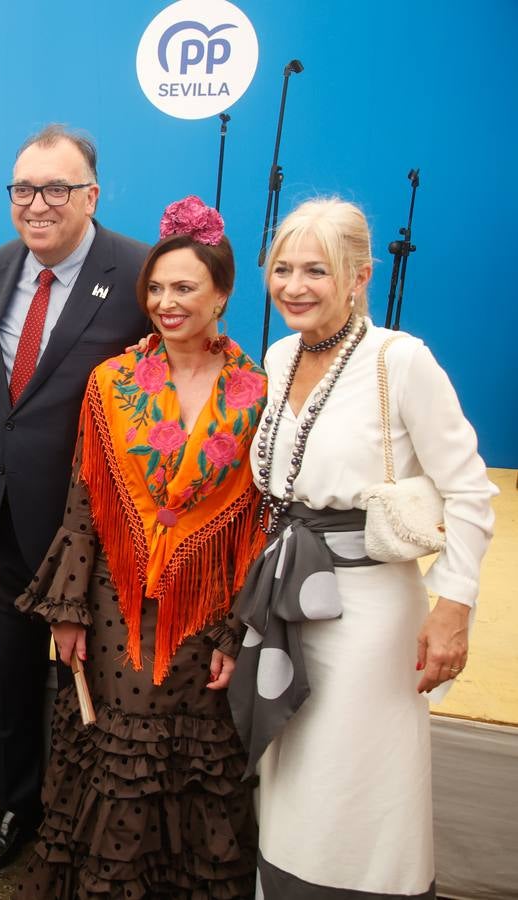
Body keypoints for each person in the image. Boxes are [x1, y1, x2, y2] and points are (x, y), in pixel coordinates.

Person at [231, 198, 497, 898]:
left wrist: (454, 606)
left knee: (357, 778)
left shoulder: (400, 361)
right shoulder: (281, 354)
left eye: (316, 270)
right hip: (288, 597)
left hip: (371, 611)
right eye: (282, 268)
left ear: (358, 277)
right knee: (292, 768)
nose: (294, 285)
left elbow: (471, 493)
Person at [15, 196, 264, 897]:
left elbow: (255, 526)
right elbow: (84, 504)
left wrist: (232, 630)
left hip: (201, 611)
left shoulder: (257, 395)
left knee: (193, 763)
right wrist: (67, 612)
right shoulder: (113, 384)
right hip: (115, 604)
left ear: (222, 293)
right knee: (116, 759)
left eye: (184, 287)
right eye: (155, 288)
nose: (166, 302)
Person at [0, 123, 150, 871]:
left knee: (98, 685)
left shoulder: (142, 272)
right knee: (7, 679)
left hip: (96, 536)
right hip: (5, 520)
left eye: (55, 189)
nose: (35, 204)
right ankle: (16, 805)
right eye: (22, 188)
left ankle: (93, 820)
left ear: (91, 195)